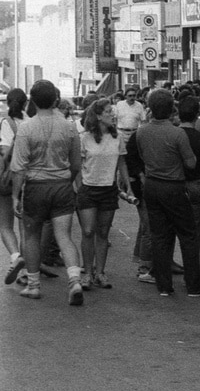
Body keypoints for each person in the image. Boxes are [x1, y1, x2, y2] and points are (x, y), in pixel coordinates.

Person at [8, 79, 86, 304]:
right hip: (62, 186)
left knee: (31, 236)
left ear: (32, 100)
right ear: (55, 99)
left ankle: (33, 285)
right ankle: (74, 280)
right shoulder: (69, 127)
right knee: (64, 236)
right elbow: (76, 165)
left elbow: (18, 168)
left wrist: (15, 196)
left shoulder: (26, 128)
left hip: (36, 187)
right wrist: (66, 181)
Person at [134, 89, 200, 298]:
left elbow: (142, 155)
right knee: (188, 235)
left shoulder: (141, 131)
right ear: (171, 109)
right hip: (174, 185)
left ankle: (163, 284)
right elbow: (190, 162)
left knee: (160, 235)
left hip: (151, 184)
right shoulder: (177, 133)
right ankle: (194, 284)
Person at [76, 98, 131, 288]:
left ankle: (100, 272)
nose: (112, 115)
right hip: (89, 187)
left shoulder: (118, 138)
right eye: (108, 111)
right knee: (88, 230)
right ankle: (87, 272)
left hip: (109, 188)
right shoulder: (85, 137)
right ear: (98, 115)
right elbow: (77, 165)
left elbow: (122, 162)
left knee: (103, 232)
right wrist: (79, 186)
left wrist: (127, 185)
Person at [177, 94, 200, 286]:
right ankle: (193, 277)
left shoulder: (173, 134)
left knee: (172, 231)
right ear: (197, 115)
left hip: (176, 185)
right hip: (196, 186)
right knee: (194, 234)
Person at [0, 88, 27, 285]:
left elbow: (4, 153)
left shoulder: (6, 123)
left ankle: (16, 256)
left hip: (8, 179)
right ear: (25, 103)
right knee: (26, 226)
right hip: (29, 177)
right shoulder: (30, 121)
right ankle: (28, 271)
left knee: (5, 225)